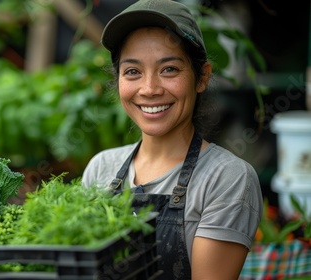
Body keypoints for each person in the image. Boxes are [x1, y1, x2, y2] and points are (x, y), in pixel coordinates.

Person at [81, 0, 263, 279]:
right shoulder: (101, 168)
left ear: (202, 78)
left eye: (169, 69)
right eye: (132, 71)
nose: (150, 89)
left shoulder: (226, 178)